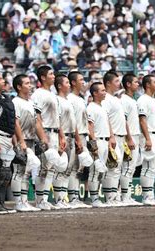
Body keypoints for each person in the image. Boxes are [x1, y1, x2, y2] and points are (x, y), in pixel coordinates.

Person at [0, 71, 26, 214]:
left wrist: (15, 144)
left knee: (7, 174)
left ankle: (0, 203)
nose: (3, 81)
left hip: (8, 137)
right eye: (0, 79)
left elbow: (11, 124)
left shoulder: (7, 99)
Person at [31, 65, 66, 210]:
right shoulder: (38, 94)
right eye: (50, 74)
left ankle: (45, 198)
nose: (53, 76)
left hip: (54, 132)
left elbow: (58, 119)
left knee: (51, 167)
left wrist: (61, 136)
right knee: (43, 167)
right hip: (44, 132)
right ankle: (40, 200)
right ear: (43, 77)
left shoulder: (52, 95)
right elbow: (36, 117)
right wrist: (42, 136)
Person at [11, 74, 43, 212]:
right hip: (20, 140)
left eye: (30, 83)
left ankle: (24, 201)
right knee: (19, 171)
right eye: (26, 83)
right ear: (19, 87)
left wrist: (42, 139)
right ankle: (18, 202)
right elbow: (15, 123)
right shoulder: (15, 102)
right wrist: (20, 142)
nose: (30, 86)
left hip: (30, 140)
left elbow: (37, 123)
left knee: (27, 172)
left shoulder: (31, 102)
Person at [137, 75, 155, 206]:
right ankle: (146, 196)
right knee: (147, 166)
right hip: (149, 135)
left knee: (153, 167)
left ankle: (150, 195)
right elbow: (142, 120)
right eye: (154, 82)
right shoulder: (143, 99)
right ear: (147, 85)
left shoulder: (153, 100)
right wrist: (148, 138)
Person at [66, 71, 92, 208]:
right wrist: (78, 139)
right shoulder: (70, 99)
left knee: (79, 169)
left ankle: (74, 197)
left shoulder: (80, 98)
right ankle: (72, 197)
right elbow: (73, 121)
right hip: (76, 136)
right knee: (72, 168)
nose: (83, 82)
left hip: (83, 135)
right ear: (73, 82)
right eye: (81, 80)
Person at [52, 74, 78, 209]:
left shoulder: (67, 100)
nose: (69, 85)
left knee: (68, 170)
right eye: (67, 82)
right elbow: (58, 121)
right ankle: (58, 199)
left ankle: (63, 197)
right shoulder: (57, 100)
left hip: (71, 136)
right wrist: (60, 137)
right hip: (63, 136)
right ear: (59, 86)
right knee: (60, 169)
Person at [100, 71, 126, 206]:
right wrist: (111, 136)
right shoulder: (106, 99)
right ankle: (110, 197)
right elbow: (106, 118)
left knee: (117, 168)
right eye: (116, 81)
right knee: (112, 167)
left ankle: (114, 196)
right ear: (108, 83)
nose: (119, 84)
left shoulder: (115, 99)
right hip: (113, 137)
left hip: (120, 138)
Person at [119, 73, 143, 206]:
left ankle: (126, 196)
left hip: (135, 136)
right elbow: (124, 120)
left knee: (131, 168)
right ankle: (125, 196)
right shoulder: (124, 100)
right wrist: (129, 138)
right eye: (135, 82)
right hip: (130, 137)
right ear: (128, 84)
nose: (138, 84)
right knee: (127, 168)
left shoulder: (133, 100)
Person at [86, 82, 110, 208]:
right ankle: (94, 198)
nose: (104, 92)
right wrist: (93, 144)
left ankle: (97, 197)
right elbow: (90, 127)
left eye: (105, 90)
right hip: (98, 141)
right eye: (102, 90)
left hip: (105, 141)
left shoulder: (102, 107)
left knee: (101, 171)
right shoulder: (91, 107)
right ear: (95, 93)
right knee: (94, 171)